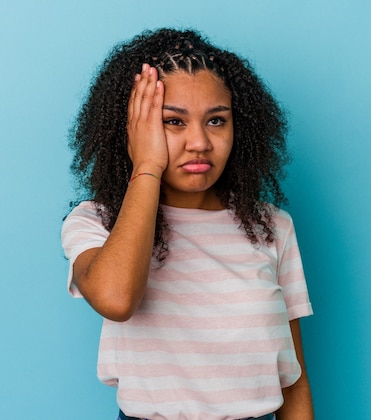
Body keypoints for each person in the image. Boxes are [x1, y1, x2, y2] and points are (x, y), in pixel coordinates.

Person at [61, 28, 314, 420]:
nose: (199, 141)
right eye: (173, 122)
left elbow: (293, 379)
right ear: (132, 128)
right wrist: (147, 165)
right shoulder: (98, 221)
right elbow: (116, 300)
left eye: (216, 121)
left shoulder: (272, 226)